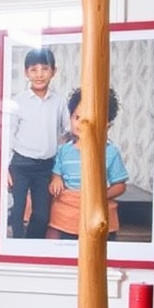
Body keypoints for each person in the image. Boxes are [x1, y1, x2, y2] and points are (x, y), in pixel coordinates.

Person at [46, 86, 128, 240]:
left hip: (95, 202)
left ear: (107, 124)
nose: (81, 124)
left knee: (105, 213)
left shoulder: (110, 152)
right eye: (77, 118)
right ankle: (52, 254)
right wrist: (56, 179)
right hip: (69, 203)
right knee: (56, 211)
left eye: (90, 119)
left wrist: (100, 195)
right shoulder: (64, 150)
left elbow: (120, 185)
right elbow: (56, 173)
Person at [7, 47, 70, 239]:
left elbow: (67, 131)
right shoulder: (18, 101)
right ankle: (17, 245)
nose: (39, 74)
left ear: (54, 71)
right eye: (33, 70)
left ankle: (32, 245)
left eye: (44, 68)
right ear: (26, 73)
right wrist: (5, 168)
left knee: (42, 215)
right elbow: (8, 136)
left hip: (45, 167)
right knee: (17, 210)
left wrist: (58, 169)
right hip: (20, 164)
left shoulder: (59, 102)